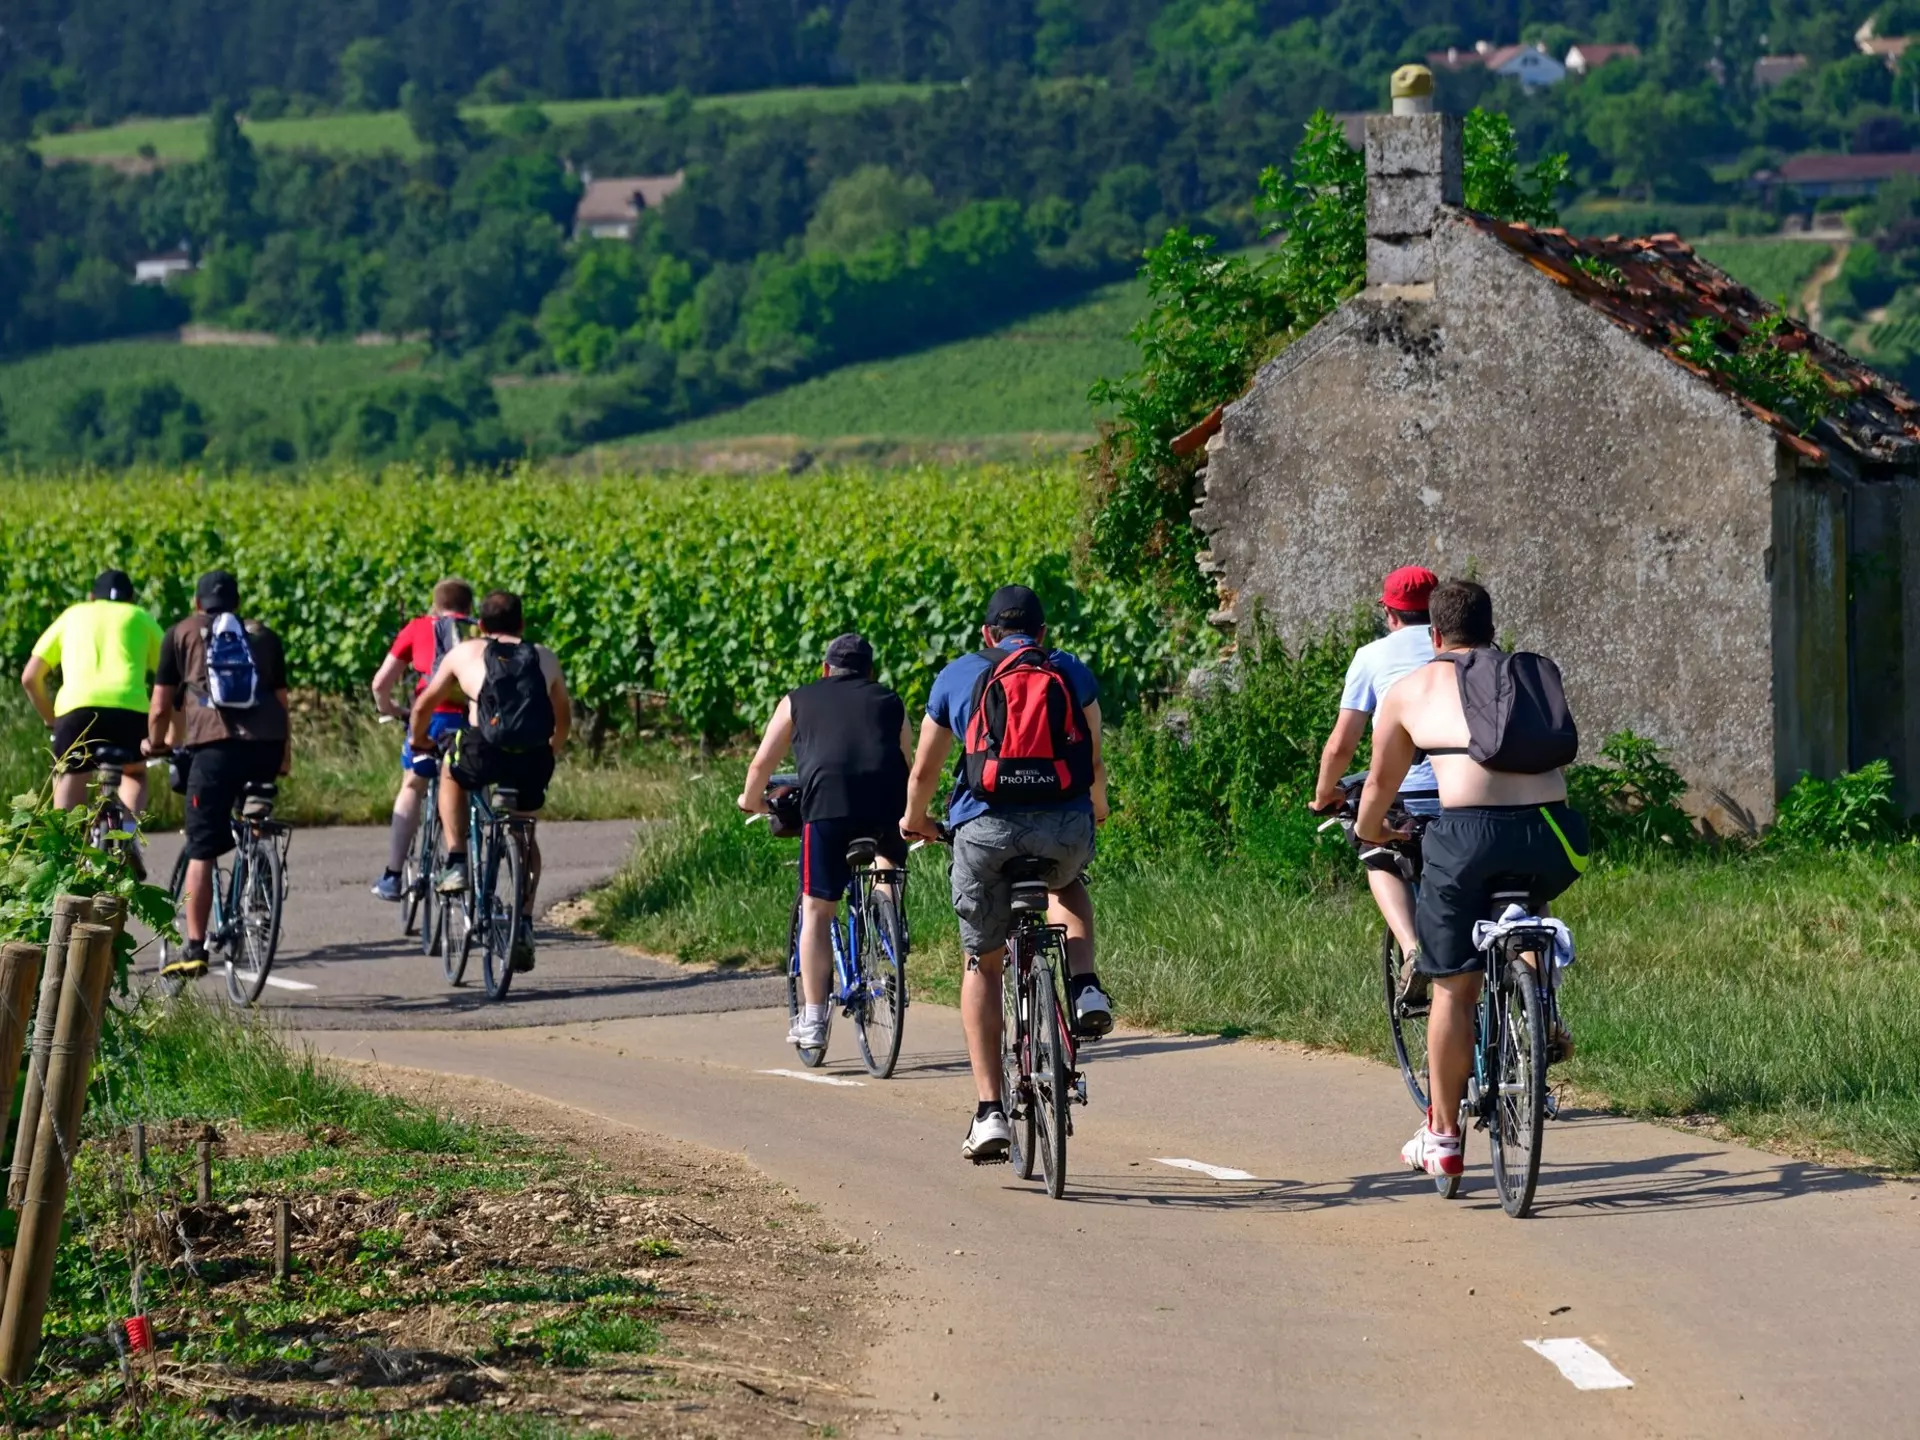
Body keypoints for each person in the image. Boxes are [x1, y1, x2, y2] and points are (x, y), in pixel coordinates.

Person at [1355, 579, 1589, 1181]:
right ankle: (1538, 1001)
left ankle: (1443, 1135)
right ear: (1492, 628)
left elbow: (1379, 791)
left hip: (1469, 838)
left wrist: (1375, 832)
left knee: (1453, 988)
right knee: (1523, 903)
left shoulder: (1411, 689)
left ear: (1433, 635)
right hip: (1556, 837)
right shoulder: (1529, 675)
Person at [901, 585, 1114, 1164]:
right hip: (1063, 828)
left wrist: (914, 821)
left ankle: (989, 1112)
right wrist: (1095, 807)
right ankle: (1084, 984)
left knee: (983, 962)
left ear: (986, 634)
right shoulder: (1070, 672)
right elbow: (1092, 757)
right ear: (1043, 634)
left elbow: (924, 769)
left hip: (984, 834)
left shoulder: (958, 675)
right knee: (1067, 884)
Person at [738, 633, 912, 1050]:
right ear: (870, 672)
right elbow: (905, 762)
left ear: (825, 669)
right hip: (886, 808)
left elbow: (762, 762)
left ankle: (814, 1019)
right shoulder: (891, 701)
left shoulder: (797, 699)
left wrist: (751, 800)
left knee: (816, 909)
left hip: (828, 808)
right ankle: (888, 916)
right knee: (885, 858)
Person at [409, 590, 570, 973]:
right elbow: (563, 717)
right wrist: (551, 750)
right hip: (531, 756)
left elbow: (425, 704)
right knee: (525, 832)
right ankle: (525, 922)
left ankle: (457, 859)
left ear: (481, 625)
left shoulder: (465, 652)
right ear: (522, 624)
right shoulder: (544, 657)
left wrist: (419, 741)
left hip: (484, 750)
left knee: (451, 769)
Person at [146, 570, 292, 981]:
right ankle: (258, 895)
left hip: (214, 749)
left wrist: (154, 743)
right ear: (238, 603)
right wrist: (285, 755)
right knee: (255, 816)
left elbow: (160, 707)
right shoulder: (263, 636)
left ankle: (194, 948)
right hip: (266, 744)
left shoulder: (182, 633)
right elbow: (282, 701)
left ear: (198, 603)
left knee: (202, 847)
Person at [1311, 565, 1442, 1004]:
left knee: (1376, 850)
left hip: (1408, 794)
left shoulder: (1372, 656)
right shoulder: (1462, 648)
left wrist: (1325, 794)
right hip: (1472, 792)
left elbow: (1340, 745)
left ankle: (1411, 949)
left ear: (1390, 614)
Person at [21, 568, 165, 819]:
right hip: (130, 712)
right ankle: (126, 838)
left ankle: (67, 847)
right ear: (130, 600)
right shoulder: (139, 616)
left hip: (76, 711)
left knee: (70, 774)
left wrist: (51, 720)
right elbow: (171, 671)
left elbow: (29, 678)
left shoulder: (73, 615)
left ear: (91, 597)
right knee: (134, 773)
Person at [368, 578, 476, 901]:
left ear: (435, 604)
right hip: (468, 719)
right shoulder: (477, 631)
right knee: (465, 782)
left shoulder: (417, 628)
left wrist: (394, 709)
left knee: (413, 784)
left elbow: (380, 684)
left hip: (430, 718)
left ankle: (393, 875)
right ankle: (465, 860)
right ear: (469, 608)